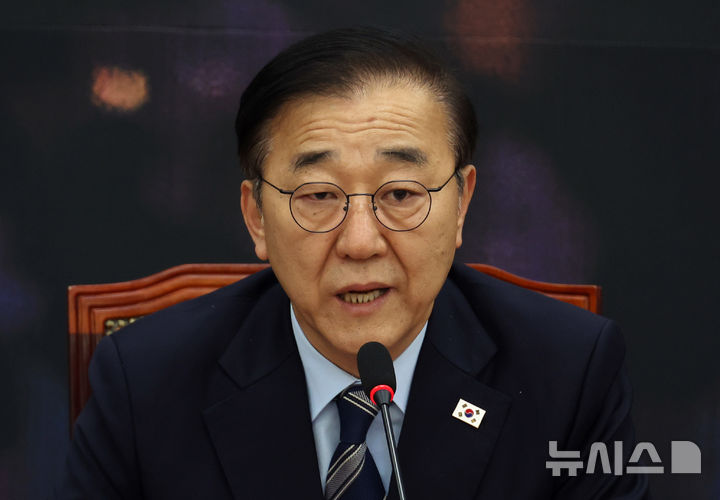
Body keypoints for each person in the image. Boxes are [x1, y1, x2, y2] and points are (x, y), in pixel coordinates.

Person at [54, 28, 650, 499]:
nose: (361, 242)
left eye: (401, 194)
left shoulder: (568, 374)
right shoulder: (147, 381)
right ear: (256, 217)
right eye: (318, 196)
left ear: (461, 204)